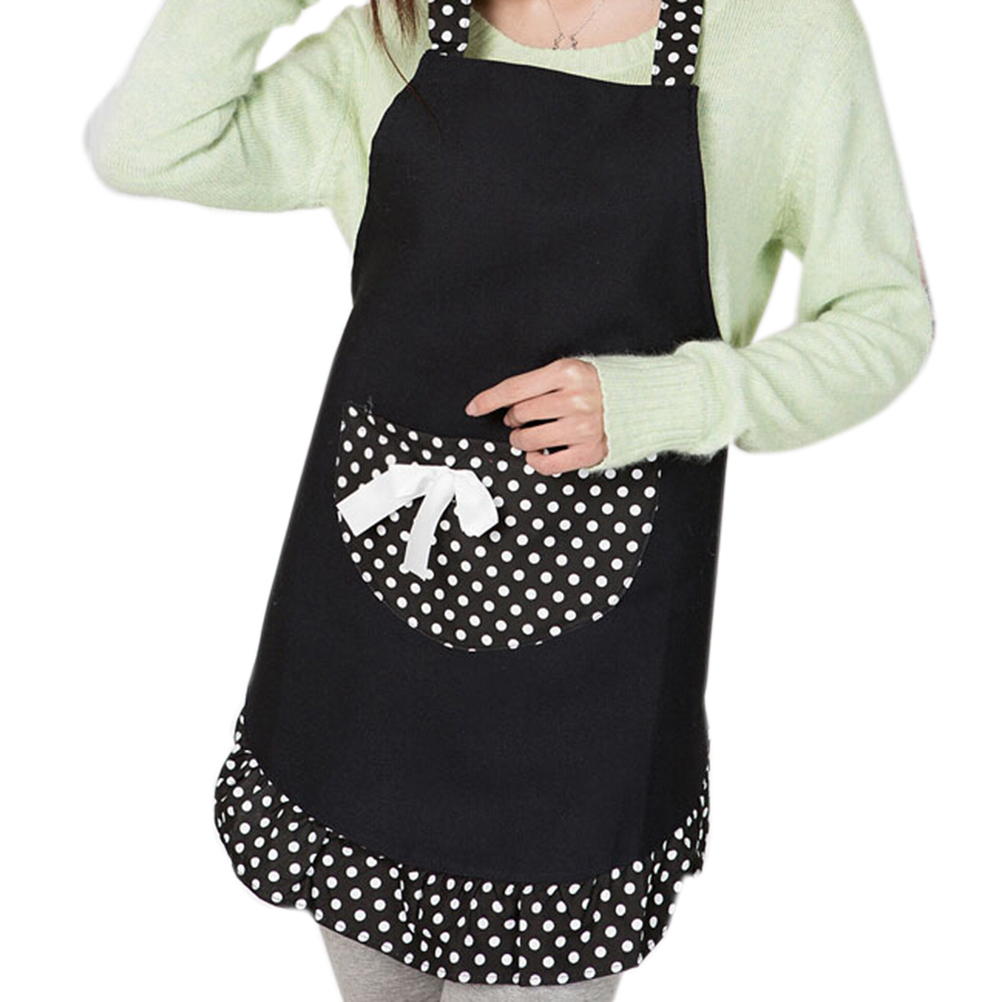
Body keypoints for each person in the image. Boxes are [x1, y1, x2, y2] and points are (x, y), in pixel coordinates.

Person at [84, 0, 934, 998]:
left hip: (592, 684)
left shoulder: (785, 38)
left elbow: (886, 317)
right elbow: (145, 145)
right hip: (372, 652)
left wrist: (674, 397)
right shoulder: (394, 34)